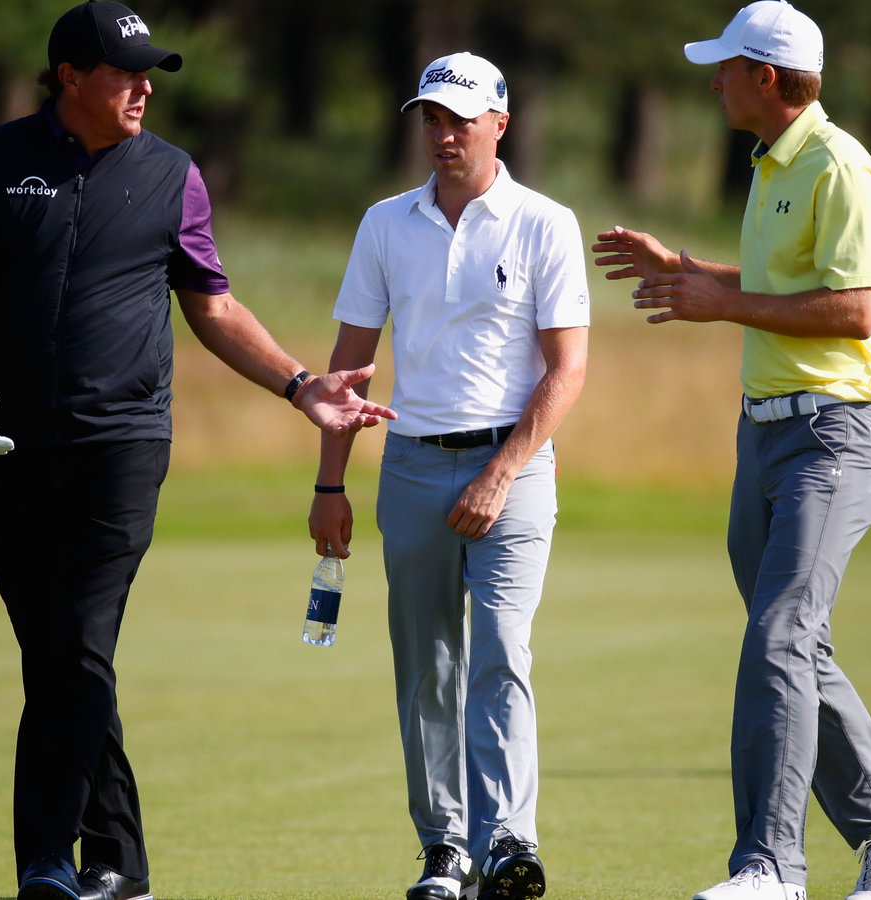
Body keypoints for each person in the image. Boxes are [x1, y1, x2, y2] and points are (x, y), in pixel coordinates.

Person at [0, 4, 396, 900]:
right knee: (58, 654)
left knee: (77, 637)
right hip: (9, 440)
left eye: (152, 74)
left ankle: (46, 861)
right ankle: (122, 863)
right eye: (127, 72)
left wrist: (303, 386)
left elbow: (213, 307)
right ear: (70, 75)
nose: (145, 88)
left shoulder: (174, 174)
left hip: (123, 443)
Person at [592, 3, 871, 899]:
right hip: (766, 437)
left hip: (834, 434)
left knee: (780, 636)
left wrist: (723, 307)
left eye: (727, 67)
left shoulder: (840, 167)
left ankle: (770, 868)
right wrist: (690, 274)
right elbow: (786, 283)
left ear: (767, 77)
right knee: (793, 643)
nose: (715, 82)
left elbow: (857, 308)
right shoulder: (772, 162)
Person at [308, 51, 589, 900]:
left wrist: (499, 475)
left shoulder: (544, 223)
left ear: (500, 123)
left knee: (501, 648)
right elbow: (348, 369)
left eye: (459, 119)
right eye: (431, 119)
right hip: (412, 466)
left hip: (515, 468)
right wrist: (329, 487)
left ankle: (506, 841)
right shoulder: (385, 223)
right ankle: (445, 849)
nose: (443, 134)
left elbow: (567, 370)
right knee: (427, 663)